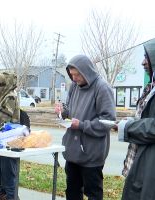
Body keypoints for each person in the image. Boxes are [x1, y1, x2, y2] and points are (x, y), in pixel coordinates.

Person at [55, 55, 116, 200]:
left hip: (91, 154)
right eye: (72, 75)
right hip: (72, 152)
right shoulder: (74, 87)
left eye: (77, 74)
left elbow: (108, 121)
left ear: (86, 71)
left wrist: (82, 125)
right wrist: (62, 113)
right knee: (72, 192)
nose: (74, 78)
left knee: (93, 194)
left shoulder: (102, 88)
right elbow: (70, 110)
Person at [117, 39, 155, 200]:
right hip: (138, 163)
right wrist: (129, 121)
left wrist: (128, 127)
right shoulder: (151, 87)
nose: (142, 62)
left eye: (147, 57)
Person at [0, 71, 20, 200]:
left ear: (5, 83)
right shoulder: (1, 96)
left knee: (8, 182)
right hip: (0, 143)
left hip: (9, 144)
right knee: (1, 180)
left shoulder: (10, 97)